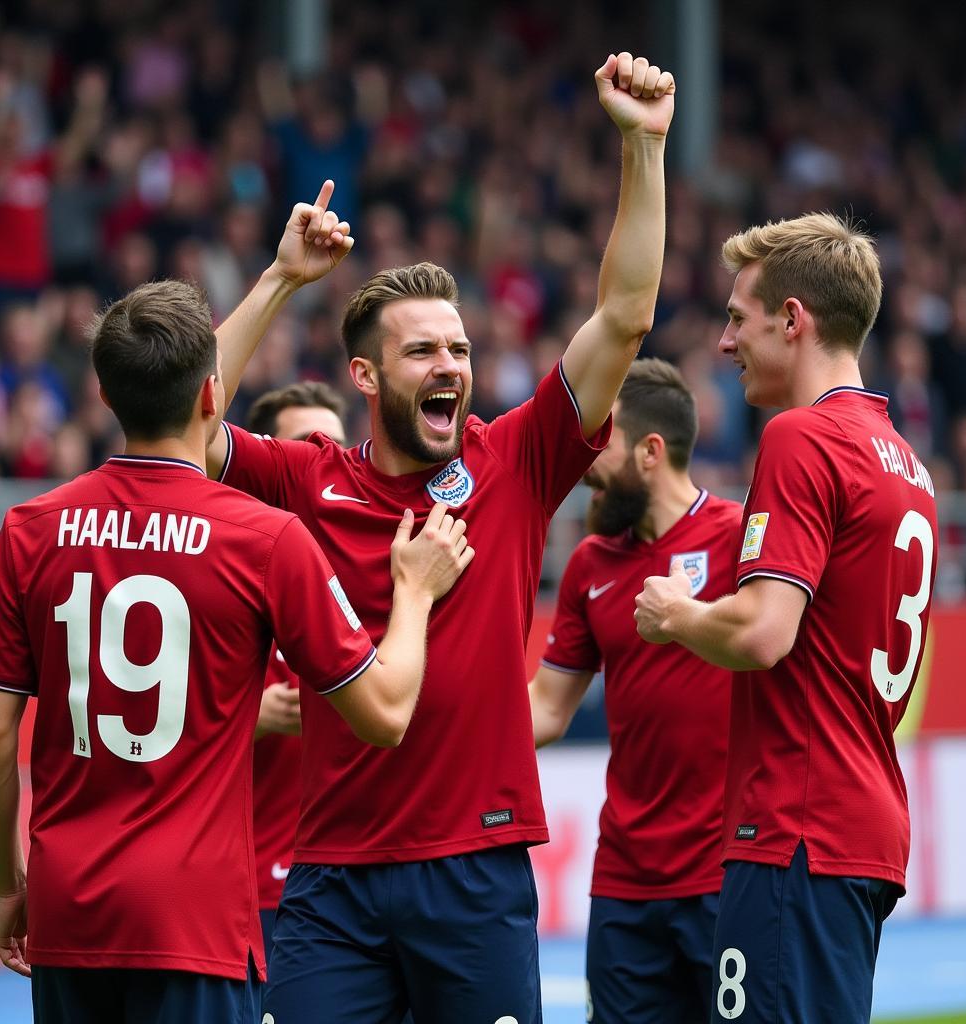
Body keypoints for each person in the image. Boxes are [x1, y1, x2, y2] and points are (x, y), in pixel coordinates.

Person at [206, 52, 676, 1024]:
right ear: (367, 378)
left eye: (459, 347)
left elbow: (625, 315)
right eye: (422, 350)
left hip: (474, 865)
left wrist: (643, 146)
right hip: (331, 875)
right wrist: (281, 279)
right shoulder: (309, 479)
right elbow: (188, 416)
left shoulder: (516, 459)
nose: (449, 363)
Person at [0, 274, 474, 1024]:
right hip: (197, 925)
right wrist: (417, 593)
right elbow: (385, 714)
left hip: (68, 916)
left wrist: (10, 883)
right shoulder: (263, 537)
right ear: (213, 395)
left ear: (104, 398)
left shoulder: (30, 528)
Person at [634, 213, 939, 1024]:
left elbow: (766, 632)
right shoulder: (908, 463)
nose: (726, 343)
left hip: (796, 827)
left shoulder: (803, 438)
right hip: (864, 825)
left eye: (739, 318)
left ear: (793, 320)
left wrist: (675, 614)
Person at [529, 358, 741, 1023]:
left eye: (604, 441)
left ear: (651, 452)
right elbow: (546, 708)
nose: (587, 458)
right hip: (625, 878)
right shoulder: (591, 562)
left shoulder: (740, 539)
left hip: (726, 872)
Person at [245, 381, 348, 963]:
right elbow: (136, 738)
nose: (320, 466)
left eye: (332, 449)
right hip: (249, 891)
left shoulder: (378, 582)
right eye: (303, 449)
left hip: (354, 887)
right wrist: (247, 720)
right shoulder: (220, 582)